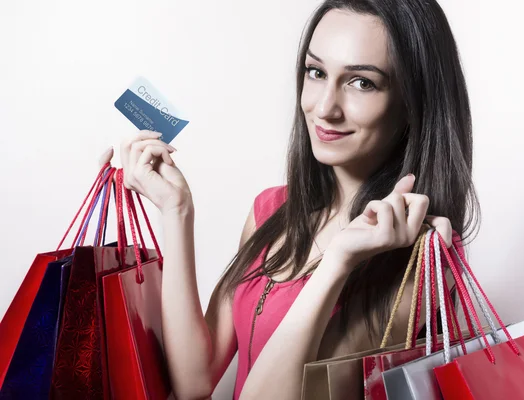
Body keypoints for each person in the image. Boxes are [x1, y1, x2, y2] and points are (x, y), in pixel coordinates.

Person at [99, 0, 479, 398]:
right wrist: (177, 212)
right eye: (316, 72)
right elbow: (196, 379)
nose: (324, 107)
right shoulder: (272, 210)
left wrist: (338, 261)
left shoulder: (420, 253)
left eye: (361, 82)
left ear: (411, 104)